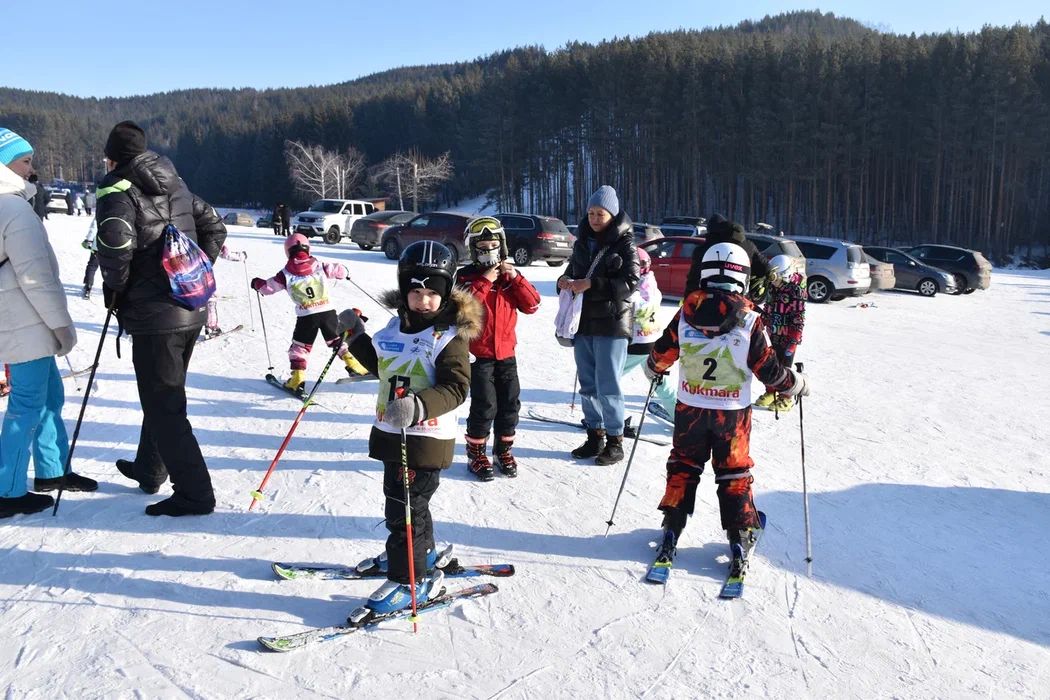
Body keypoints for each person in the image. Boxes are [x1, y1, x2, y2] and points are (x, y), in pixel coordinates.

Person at [644, 241, 810, 578]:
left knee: (684, 466)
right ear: (743, 278)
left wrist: (653, 368)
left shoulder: (686, 312)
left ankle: (672, 525)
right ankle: (739, 533)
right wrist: (796, 384)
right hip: (731, 415)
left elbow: (663, 351)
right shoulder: (749, 319)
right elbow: (769, 370)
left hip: (691, 407)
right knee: (733, 472)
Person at [335, 240, 480, 620]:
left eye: (433, 292)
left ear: (446, 292)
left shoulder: (448, 337)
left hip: (425, 438)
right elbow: (380, 366)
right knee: (407, 504)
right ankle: (418, 553)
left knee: (404, 511)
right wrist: (354, 336)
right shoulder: (393, 327)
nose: (424, 300)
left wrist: (418, 405)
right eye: (416, 291)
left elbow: (456, 387)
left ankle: (411, 579)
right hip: (390, 432)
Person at [95, 120, 226, 516]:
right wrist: (190, 273)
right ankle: (150, 469)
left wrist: (115, 293)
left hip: (156, 315)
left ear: (112, 156)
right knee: (163, 396)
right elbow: (215, 227)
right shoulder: (176, 183)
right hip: (189, 307)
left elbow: (115, 248)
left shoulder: (118, 190)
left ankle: (195, 493)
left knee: (164, 404)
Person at [0, 127, 97, 519]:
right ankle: (6, 489)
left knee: (50, 398)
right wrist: (63, 326)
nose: (31, 167)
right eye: (25, 160)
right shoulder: (13, 208)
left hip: (21, 321)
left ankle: (52, 471)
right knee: (26, 406)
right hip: (27, 323)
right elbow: (37, 276)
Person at [556, 185, 640, 465]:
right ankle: (595, 434)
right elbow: (572, 271)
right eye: (591, 212)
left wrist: (591, 283)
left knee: (609, 384)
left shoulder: (625, 243)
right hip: (583, 322)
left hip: (612, 322)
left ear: (612, 215)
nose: (594, 218)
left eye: (600, 213)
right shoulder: (583, 241)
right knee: (588, 384)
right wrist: (564, 281)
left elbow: (631, 282)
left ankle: (615, 440)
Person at [455, 216, 540, 481]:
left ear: (501, 246)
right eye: (482, 247)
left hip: (506, 354)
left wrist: (514, 278)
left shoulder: (508, 277)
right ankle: (476, 453)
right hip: (479, 355)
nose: (488, 251)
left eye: (492, 245)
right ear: (473, 250)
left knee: (510, 404)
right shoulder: (467, 277)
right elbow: (462, 310)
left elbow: (532, 305)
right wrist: (485, 281)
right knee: (485, 405)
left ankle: (503, 450)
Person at [251, 233, 369, 390]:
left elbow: (267, 289)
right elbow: (340, 270)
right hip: (328, 313)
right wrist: (346, 273)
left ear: (288, 251)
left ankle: (297, 379)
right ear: (308, 249)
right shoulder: (320, 265)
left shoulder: (284, 274)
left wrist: (257, 284)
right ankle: (354, 365)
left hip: (307, 317)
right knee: (336, 340)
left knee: (300, 348)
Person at [620, 246, 677, 425]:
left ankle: (616, 418)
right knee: (659, 382)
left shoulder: (637, 287)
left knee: (607, 380)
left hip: (638, 343)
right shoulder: (650, 281)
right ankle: (680, 417)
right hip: (653, 342)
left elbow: (635, 307)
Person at [754, 255, 807, 412]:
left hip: (788, 336)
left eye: (774, 277)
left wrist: (794, 340)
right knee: (770, 364)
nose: (772, 281)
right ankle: (771, 392)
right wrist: (761, 321)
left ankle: (786, 397)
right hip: (773, 332)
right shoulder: (773, 287)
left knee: (785, 367)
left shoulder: (796, 290)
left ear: (785, 274)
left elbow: (799, 317)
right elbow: (769, 307)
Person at [683, 214, 772, 298]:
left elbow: (694, 277)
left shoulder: (705, 248)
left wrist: (688, 297)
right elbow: (764, 267)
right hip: (741, 300)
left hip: (708, 299)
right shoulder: (748, 245)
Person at [204, 245, 246, 338]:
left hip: (187, 274)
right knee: (210, 300)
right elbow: (224, 253)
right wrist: (241, 256)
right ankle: (212, 328)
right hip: (205, 275)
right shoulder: (209, 238)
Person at [81, 217, 99, 299]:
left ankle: (88, 286)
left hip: (98, 246)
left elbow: (94, 228)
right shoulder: (121, 211)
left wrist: (89, 240)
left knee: (92, 266)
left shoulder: (101, 211)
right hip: (115, 246)